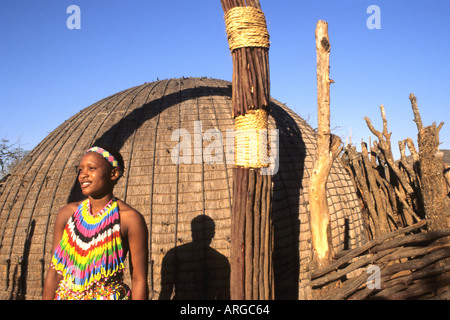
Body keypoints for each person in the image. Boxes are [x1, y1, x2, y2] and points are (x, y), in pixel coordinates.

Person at [42, 146, 148, 300]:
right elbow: (55, 271)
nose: (83, 174)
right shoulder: (67, 214)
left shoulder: (129, 219)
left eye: (92, 168)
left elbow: (139, 279)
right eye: (80, 170)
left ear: (113, 174)